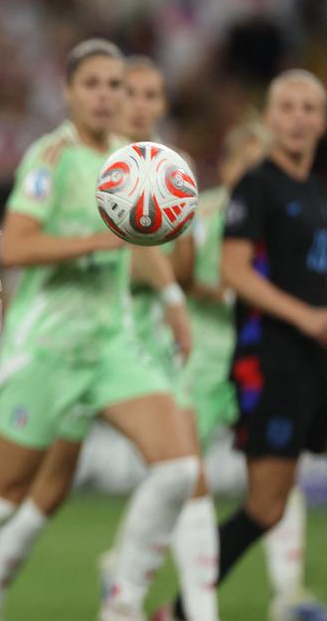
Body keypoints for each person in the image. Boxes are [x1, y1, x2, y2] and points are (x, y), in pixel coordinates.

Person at [0, 39, 200, 621]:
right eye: (91, 83)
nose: (105, 95)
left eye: (115, 85)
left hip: (113, 344)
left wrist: (169, 297)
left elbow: (141, 248)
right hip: (48, 348)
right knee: (6, 493)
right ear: (67, 92)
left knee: (179, 468)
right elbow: (13, 247)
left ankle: (123, 603)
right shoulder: (50, 157)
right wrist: (101, 237)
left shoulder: (132, 161)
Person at [165, 70, 327, 620]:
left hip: (317, 356)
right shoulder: (255, 184)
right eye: (288, 107)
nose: (299, 118)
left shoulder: (316, 187)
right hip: (273, 360)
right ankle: (183, 607)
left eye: (310, 108)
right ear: (271, 116)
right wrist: (306, 317)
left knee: (270, 505)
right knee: (264, 506)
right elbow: (235, 271)